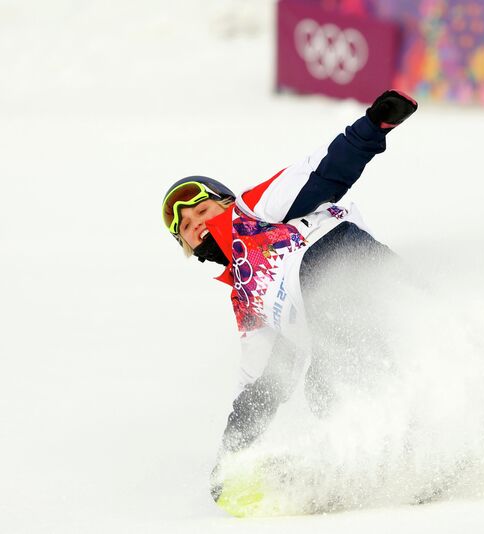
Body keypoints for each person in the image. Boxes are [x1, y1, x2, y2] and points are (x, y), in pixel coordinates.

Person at [160, 90, 418, 504]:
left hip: (344, 265)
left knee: (336, 375)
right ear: (189, 247)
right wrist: (233, 456)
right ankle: (419, 455)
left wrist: (373, 127)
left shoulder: (251, 210)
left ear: (223, 203)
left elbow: (322, 174)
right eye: (187, 227)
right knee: (329, 378)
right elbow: (260, 383)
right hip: (330, 308)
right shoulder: (249, 302)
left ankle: (395, 455)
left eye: (202, 211)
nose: (198, 225)